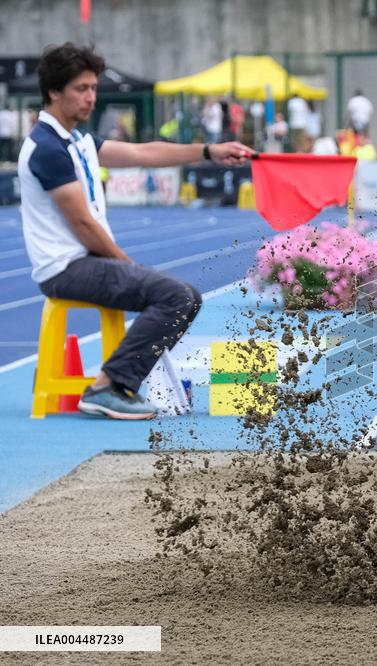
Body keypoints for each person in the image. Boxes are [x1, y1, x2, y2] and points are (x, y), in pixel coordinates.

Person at [18, 43, 252, 419]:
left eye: (93, 88)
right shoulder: (47, 148)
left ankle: (113, 384)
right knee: (177, 297)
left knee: (184, 295)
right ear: (53, 92)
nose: (91, 97)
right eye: (81, 89)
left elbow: (144, 154)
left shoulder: (77, 141)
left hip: (85, 262)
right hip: (66, 268)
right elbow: (81, 223)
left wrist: (209, 151)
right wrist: (125, 262)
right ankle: (107, 388)